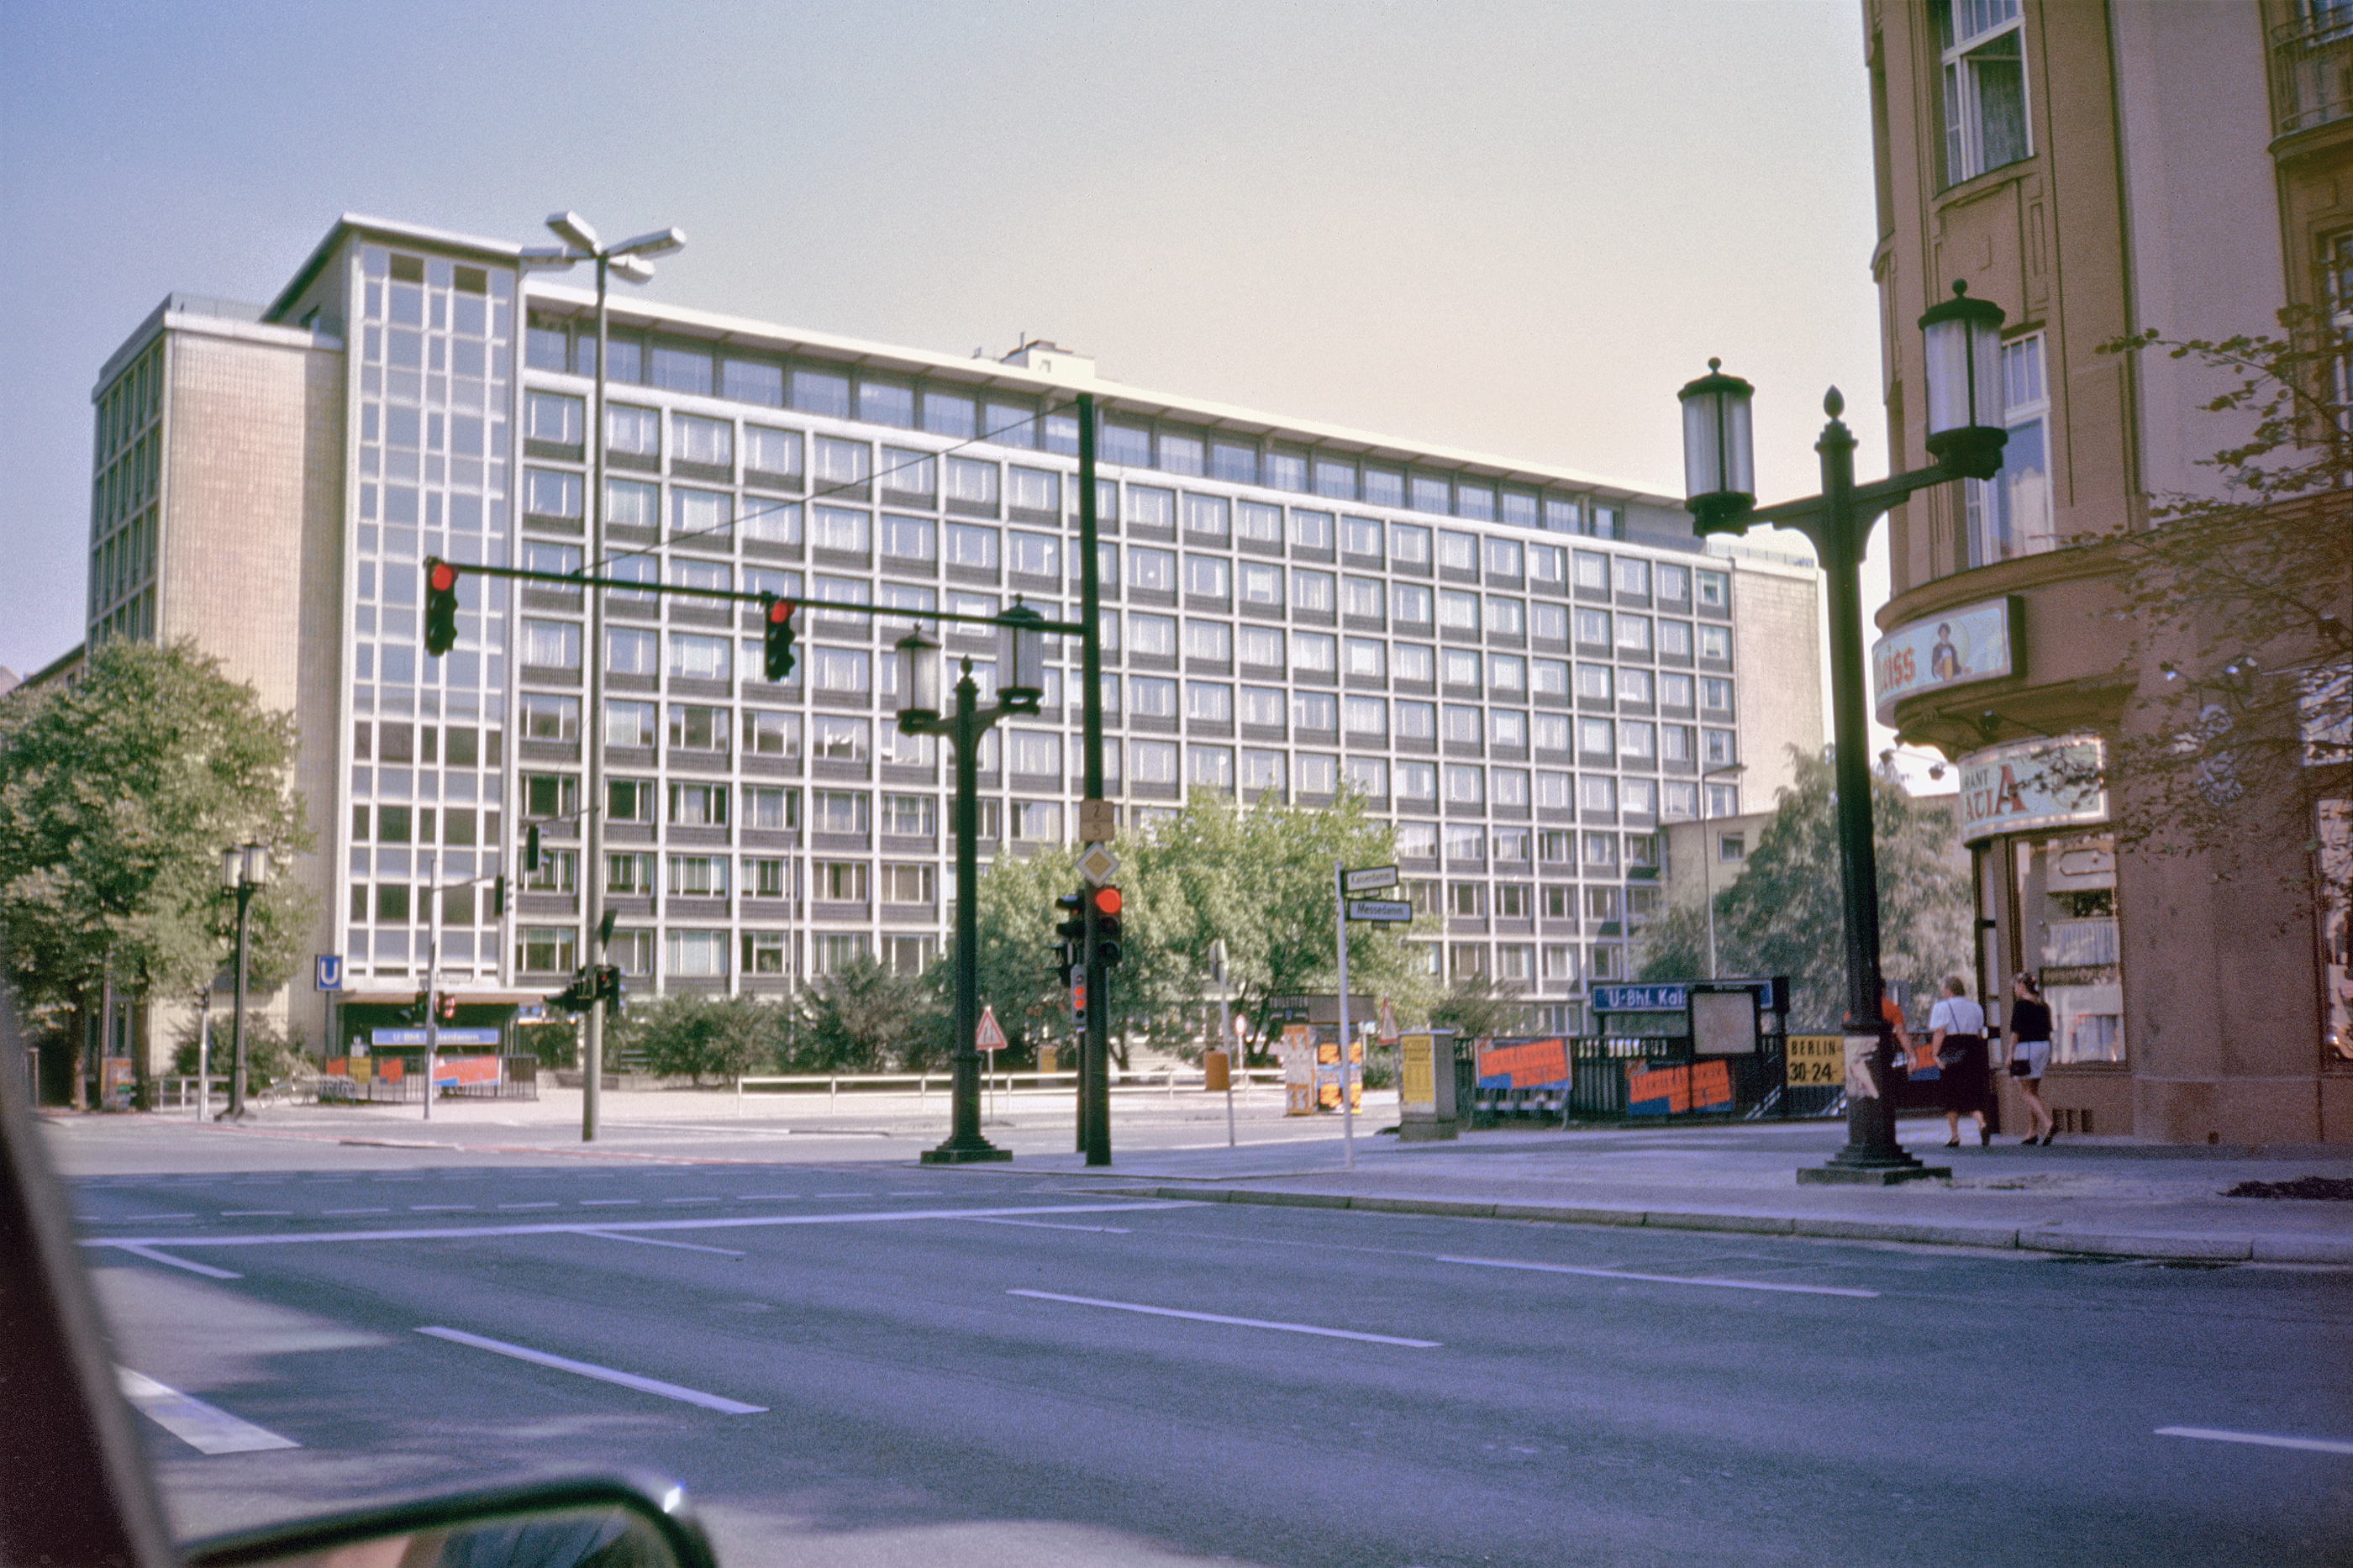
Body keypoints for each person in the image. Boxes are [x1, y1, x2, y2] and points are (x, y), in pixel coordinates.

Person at [1929, 975, 1990, 1147]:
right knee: (1971, 1090)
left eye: (1943, 989)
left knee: (1951, 1092)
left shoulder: (1942, 1007)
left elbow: (1940, 1032)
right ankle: (1981, 1123)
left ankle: (1955, 1135)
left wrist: (1935, 1054)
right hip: (1972, 1049)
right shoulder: (1976, 1007)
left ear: (1948, 990)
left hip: (1952, 1048)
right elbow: (1979, 1032)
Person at [2005, 971, 2057, 1144]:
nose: (2014, 990)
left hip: (2026, 1048)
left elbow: (2016, 1033)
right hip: (2044, 1046)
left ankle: (2047, 1123)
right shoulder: (2043, 1005)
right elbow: (2049, 1030)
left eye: (2015, 987)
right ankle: (2032, 1131)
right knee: (2033, 1090)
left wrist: (2010, 1053)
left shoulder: (2020, 1005)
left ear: (2021, 986)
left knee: (2026, 1092)